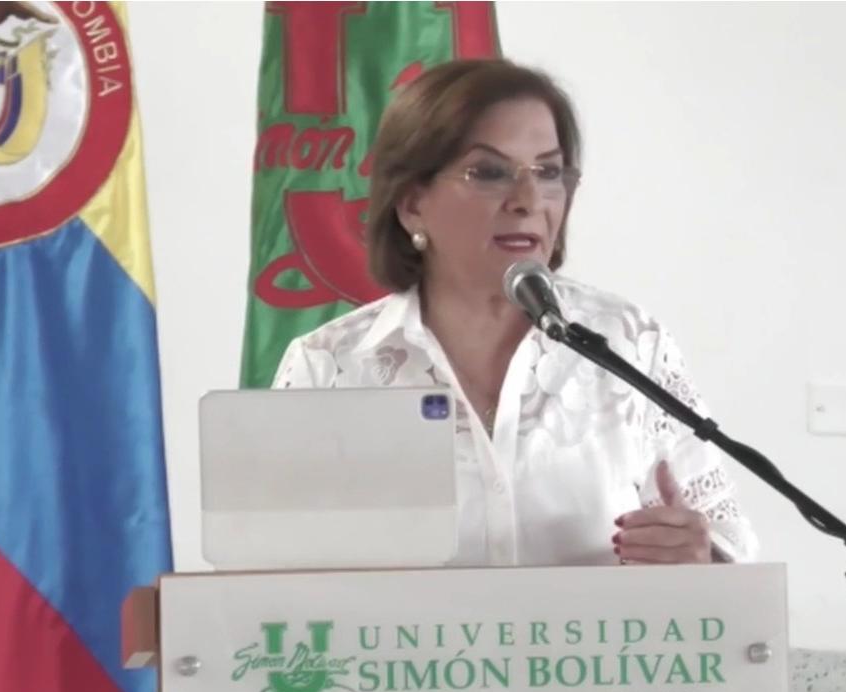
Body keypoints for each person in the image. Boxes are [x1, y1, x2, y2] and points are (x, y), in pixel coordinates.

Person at [273, 58, 757, 567]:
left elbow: (729, 549)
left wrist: (698, 556)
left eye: (548, 172)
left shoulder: (630, 344)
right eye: (489, 173)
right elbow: (272, 579)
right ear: (412, 204)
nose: (528, 200)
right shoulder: (329, 367)